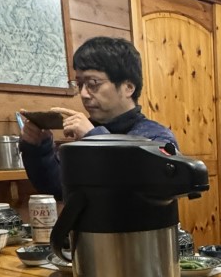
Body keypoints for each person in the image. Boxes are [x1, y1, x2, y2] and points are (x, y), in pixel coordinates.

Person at [19, 37, 178, 200]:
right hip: (88, 226)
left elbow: (149, 191)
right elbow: (57, 188)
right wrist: (39, 148)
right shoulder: (87, 134)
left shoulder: (157, 137)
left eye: (93, 83)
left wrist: (96, 138)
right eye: (80, 84)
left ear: (128, 87)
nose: (83, 94)